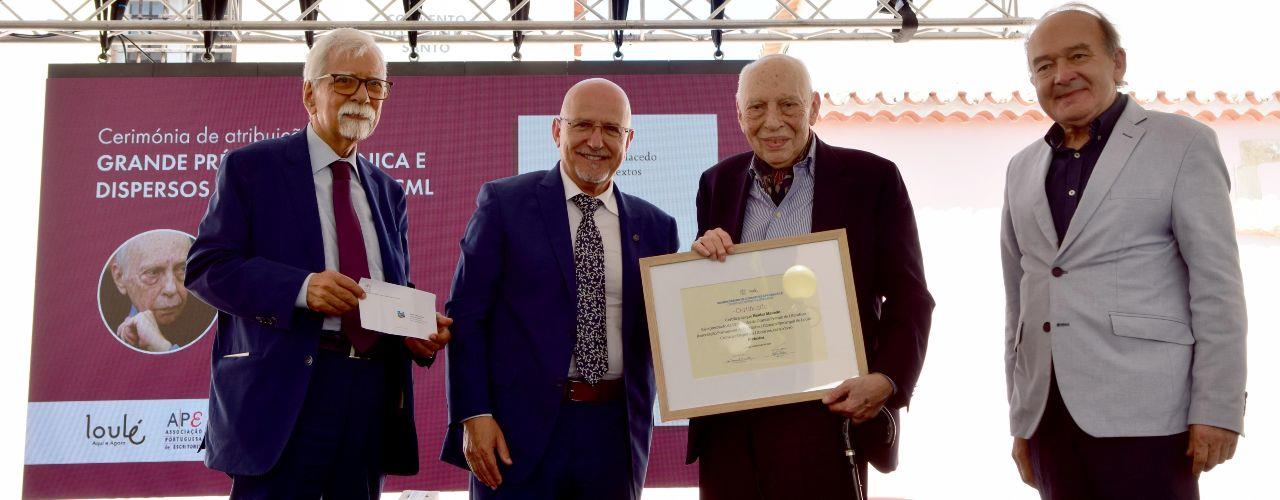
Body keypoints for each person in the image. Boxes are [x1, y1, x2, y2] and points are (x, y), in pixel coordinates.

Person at [185, 28, 451, 499]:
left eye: (375, 85)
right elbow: (207, 267)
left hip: (369, 397)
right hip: (282, 398)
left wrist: (414, 329)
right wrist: (301, 288)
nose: (363, 97)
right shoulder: (252, 169)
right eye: (346, 81)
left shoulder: (388, 191)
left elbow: (390, 286)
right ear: (310, 93)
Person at [1002, 4, 1247, 499]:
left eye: (1078, 56)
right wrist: (1021, 418)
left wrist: (1218, 408)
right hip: (1050, 419)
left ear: (1117, 62)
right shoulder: (1021, 167)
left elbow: (1217, 287)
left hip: (1151, 415)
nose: (1061, 75)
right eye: (1044, 66)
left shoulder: (1183, 144)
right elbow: (1019, 299)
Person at [687, 54, 934, 499]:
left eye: (789, 104)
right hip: (731, 428)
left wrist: (888, 379)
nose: (772, 121)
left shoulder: (872, 178)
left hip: (828, 419)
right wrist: (703, 257)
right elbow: (712, 295)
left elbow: (910, 296)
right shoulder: (716, 182)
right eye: (757, 107)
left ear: (815, 107)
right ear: (739, 113)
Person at [442, 78, 679, 500]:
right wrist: (474, 413)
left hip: (614, 438)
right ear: (557, 130)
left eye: (611, 129)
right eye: (582, 125)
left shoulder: (657, 227)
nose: (596, 141)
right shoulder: (504, 205)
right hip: (516, 434)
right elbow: (468, 316)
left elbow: (668, 331)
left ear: (628, 140)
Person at [104, 230, 214, 352]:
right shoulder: (104, 330)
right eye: (153, 272)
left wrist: (164, 348)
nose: (171, 289)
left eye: (182, 269)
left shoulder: (214, 315)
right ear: (119, 278)